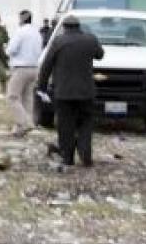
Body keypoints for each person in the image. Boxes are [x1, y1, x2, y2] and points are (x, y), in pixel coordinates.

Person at [37, 15, 104, 167]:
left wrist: (42, 87)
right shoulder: (90, 39)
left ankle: (68, 157)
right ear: (79, 26)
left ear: (65, 27)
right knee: (86, 123)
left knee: (66, 125)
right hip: (86, 91)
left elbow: (46, 65)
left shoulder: (58, 41)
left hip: (64, 92)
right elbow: (100, 55)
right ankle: (85, 154)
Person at [6, 10, 44, 137]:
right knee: (27, 98)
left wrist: (7, 50)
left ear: (22, 18)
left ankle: (25, 123)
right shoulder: (37, 33)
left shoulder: (20, 31)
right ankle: (21, 127)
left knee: (12, 97)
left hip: (21, 67)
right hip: (34, 67)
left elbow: (11, 49)